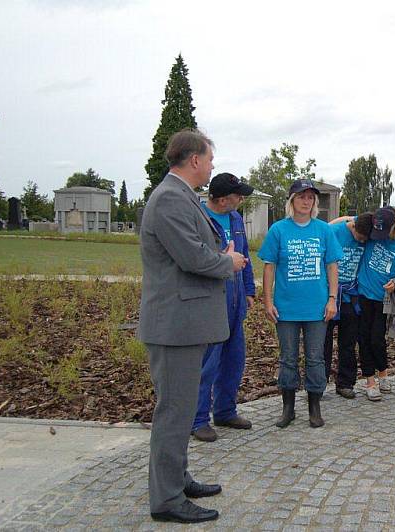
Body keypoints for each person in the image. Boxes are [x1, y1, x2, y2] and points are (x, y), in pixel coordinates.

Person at [138, 129, 248, 524]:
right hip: (174, 326)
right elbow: (192, 256)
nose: (213, 166)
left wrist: (219, 256)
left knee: (181, 410)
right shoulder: (170, 198)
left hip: (184, 323)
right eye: (210, 159)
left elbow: (195, 249)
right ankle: (167, 499)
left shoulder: (181, 196)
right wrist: (228, 263)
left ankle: (177, 478)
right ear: (195, 160)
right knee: (174, 411)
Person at [258, 179, 343, 428]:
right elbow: (269, 266)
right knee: (288, 358)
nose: (306, 201)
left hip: (317, 308)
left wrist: (332, 299)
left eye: (310, 197)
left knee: (316, 358)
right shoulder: (278, 230)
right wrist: (268, 301)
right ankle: (288, 408)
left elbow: (332, 266)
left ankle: (314, 407)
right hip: (286, 308)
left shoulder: (323, 230)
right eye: (301, 197)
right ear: (291, 201)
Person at [191, 173, 256, 442]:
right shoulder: (199, 218)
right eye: (237, 195)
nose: (241, 199)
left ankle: (225, 410)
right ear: (220, 199)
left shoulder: (236, 219)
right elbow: (196, 259)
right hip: (211, 299)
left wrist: (250, 289)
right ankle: (197, 420)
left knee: (233, 358)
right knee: (208, 362)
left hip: (236, 298)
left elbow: (245, 255)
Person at [357, 207, 395, 401]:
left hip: (385, 298)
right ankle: (370, 381)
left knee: (377, 338)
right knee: (364, 337)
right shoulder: (373, 226)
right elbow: (350, 220)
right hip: (364, 293)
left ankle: (383, 373)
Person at [324, 213, 373, 399]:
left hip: (351, 296)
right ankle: (318, 382)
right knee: (323, 341)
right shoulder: (333, 231)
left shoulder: (367, 229)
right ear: (352, 226)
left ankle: (345, 382)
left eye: (365, 240)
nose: (362, 241)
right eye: (360, 237)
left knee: (349, 341)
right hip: (329, 294)